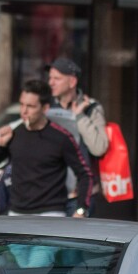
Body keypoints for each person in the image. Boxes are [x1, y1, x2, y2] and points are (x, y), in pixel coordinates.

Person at [0, 79, 95, 218]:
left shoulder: (61, 137)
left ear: (45, 108)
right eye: (22, 104)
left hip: (51, 214)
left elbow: (85, 174)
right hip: (16, 213)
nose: (24, 111)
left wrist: (81, 210)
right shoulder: (15, 133)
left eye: (30, 106)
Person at [46, 57, 107, 215]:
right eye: (50, 78)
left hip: (81, 196)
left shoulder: (91, 107)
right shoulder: (46, 107)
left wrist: (79, 117)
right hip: (51, 194)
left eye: (57, 78)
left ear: (72, 82)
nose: (51, 82)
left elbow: (99, 147)